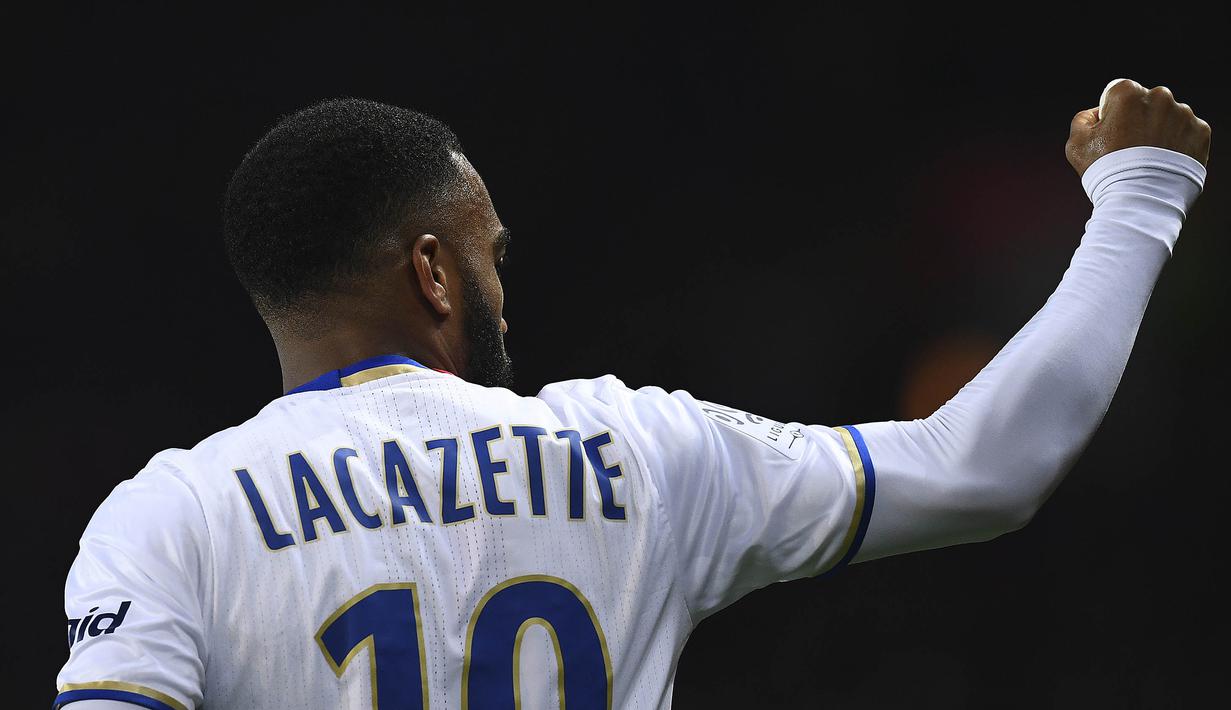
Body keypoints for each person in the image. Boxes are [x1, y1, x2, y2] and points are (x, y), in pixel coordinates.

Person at [54, 79, 1210, 709]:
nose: (502, 280)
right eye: (489, 251)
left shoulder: (167, 515)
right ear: (432, 269)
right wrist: (1140, 196)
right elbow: (984, 467)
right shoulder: (633, 449)